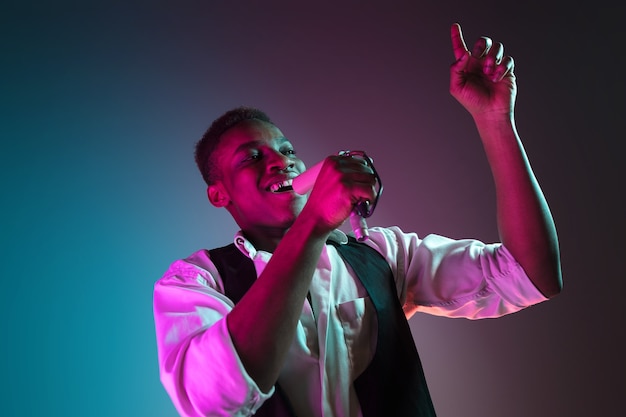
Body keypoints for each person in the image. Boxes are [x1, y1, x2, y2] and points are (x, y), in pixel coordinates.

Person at [153, 22, 562, 417]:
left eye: (287, 150)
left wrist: (495, 122)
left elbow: (530, 273)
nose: (281, 161)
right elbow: (217, 396)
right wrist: (313, 225)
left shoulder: (380, 254)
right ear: (218, 193)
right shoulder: (195, 283)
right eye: (253, 157)